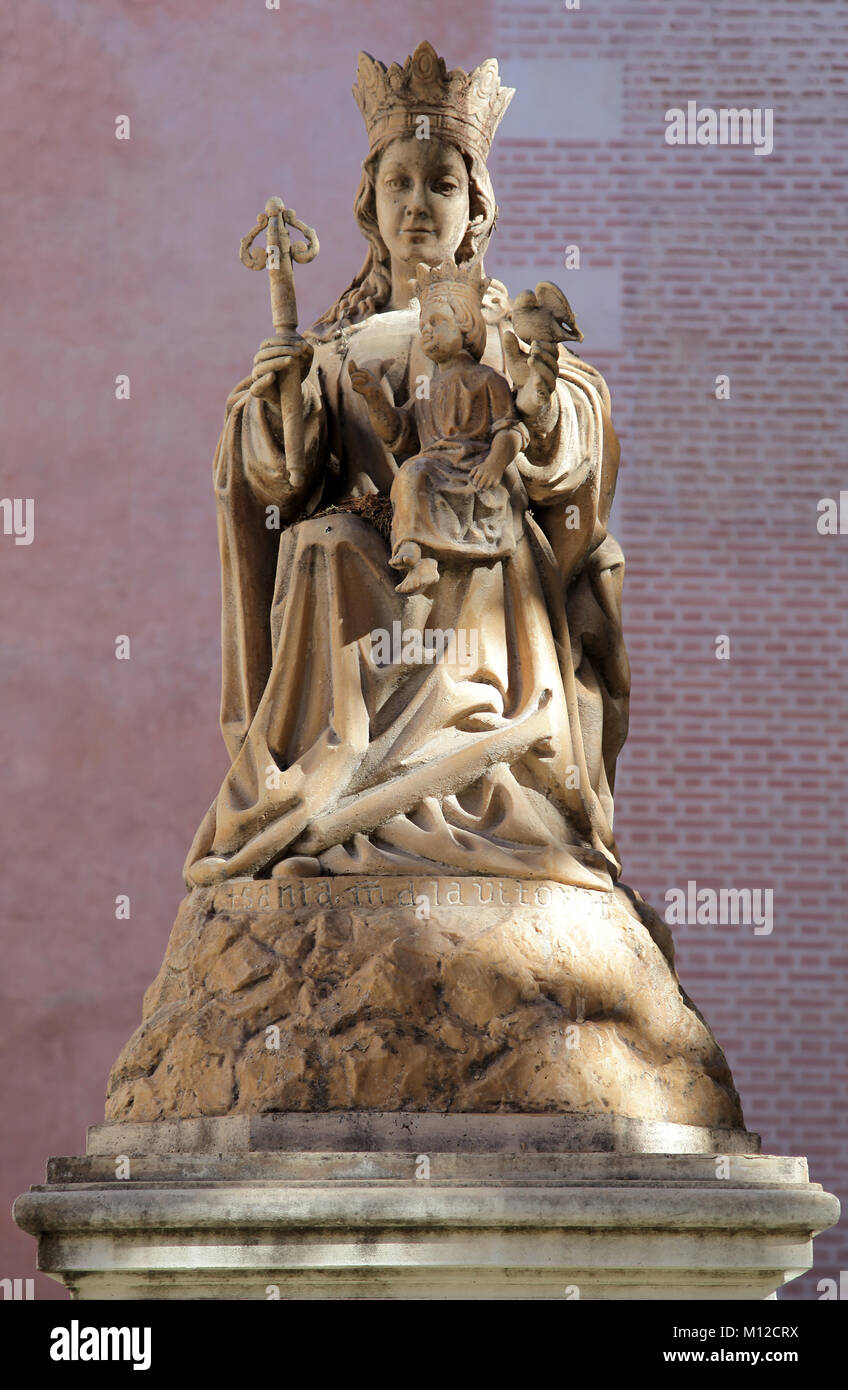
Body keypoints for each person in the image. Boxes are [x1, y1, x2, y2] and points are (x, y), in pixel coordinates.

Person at [184, 42, 630, 891]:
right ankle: (326, 790)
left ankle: (473, 765)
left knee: (482, 571)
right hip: (364, 546)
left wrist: (538, 401)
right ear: (369, 203)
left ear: (477, 209)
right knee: (321, 548)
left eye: (442, 182)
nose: (419, 203)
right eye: (399, 182)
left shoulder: (509, 332)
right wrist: (273, 408)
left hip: (484, 560)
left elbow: (569, 443)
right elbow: (277, 482)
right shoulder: (331, 342)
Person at [348, 260, 529, 593]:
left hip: (473, 469)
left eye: (437, 322)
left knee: (415, 472)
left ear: (466, 327)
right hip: (434, 469)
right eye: (423, 326)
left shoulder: (487, 380)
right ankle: (420, 559)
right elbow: (399, 434)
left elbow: (511, 431)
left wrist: (494, 463)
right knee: (413, 472)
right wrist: (375, 399)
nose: (427, 331)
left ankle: (419, 551)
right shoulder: (426, 390)